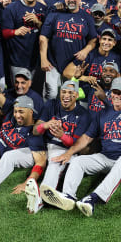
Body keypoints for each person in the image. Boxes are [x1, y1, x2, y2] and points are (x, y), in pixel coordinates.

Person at [39, 77, 121, 217]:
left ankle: (94, 199)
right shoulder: (102, 114)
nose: (117, 96)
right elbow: (87, 137)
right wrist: (69, 153)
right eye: (114, 92)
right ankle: (68, 196)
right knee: (78, 161)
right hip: (106, 157)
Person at [24, 80, 91, 214]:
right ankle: (44, 193)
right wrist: (46, 125)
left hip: (70, 149)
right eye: (64, 92)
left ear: (77, 95)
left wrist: (62, 135)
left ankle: (41, 197)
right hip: (50, 146)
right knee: (55, 161)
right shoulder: (51, 105)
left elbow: (74, 143)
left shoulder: (84, 114)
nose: (66, 95)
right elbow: (36, 130)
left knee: (58, 164)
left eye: (71, 93)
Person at [40, 0, 97, 99]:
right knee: (51, 95)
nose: (71, 0)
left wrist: (86, 50)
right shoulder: (54, 13)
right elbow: (43, 37)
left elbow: (93, 39)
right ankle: (49, 116)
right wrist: (43, 59)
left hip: (74, 63)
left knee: (70, 96)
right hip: (53, 62)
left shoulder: (87, 17)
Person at [1, 0, 47, 74]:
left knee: (35, 89)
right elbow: (3, 33)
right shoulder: (11, 8)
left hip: (37, 60)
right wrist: (15, 32)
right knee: (20, 88)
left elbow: (47, 32)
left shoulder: (43, 8)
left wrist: (37, 22)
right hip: (18, 60)